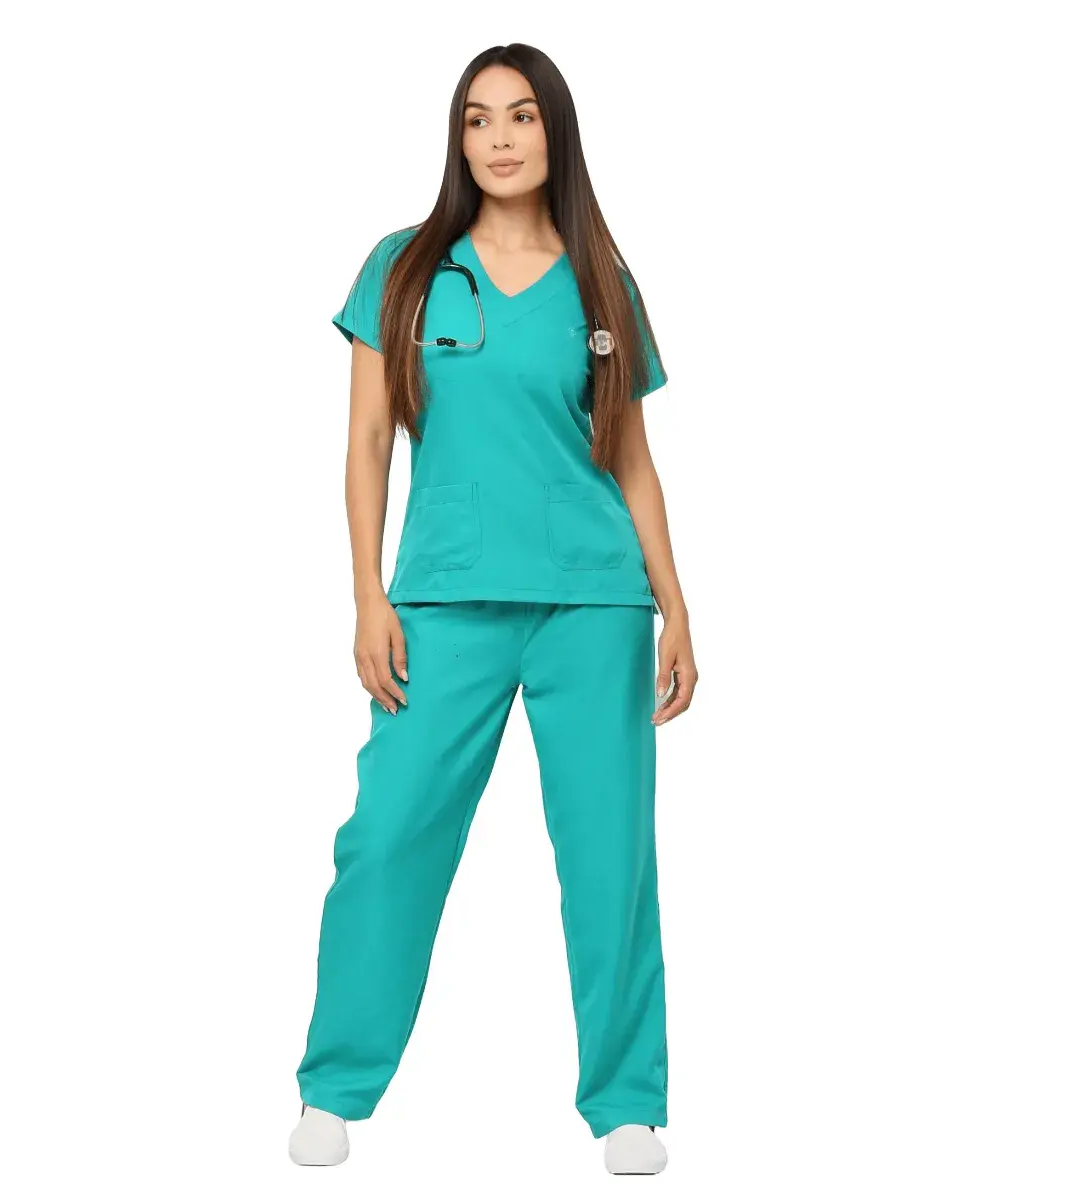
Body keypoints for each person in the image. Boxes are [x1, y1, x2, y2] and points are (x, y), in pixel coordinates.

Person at [289, 42, 697, 1176]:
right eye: (477, 119)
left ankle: (627, 1103)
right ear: (457, 139)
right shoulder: (405, 269)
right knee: (387, 839)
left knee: (611, 858)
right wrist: (367, 594)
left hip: (593, 602)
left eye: (521, 116)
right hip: (442, 600)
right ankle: (335, 1086)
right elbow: (368, 440)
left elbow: (631, 460)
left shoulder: (601, 281)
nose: (499, 138)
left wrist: (675, 605)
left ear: (555, 132)